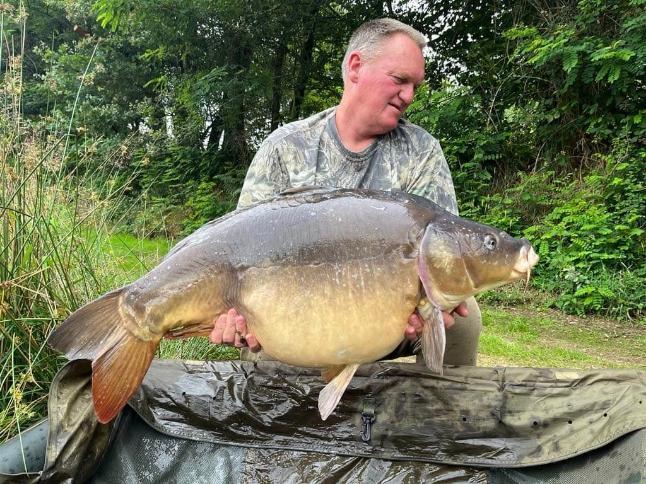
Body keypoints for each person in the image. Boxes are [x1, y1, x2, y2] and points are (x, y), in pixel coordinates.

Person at [209, 18, 482, 365]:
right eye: (400, 80)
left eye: (415, 85)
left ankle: (438, 412)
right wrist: (234, 316)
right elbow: (239, 250)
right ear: (356, 67)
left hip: (389, 317)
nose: (409, 95)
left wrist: (431, 306)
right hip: (296, 318)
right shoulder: (285, 147)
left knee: (463, 318)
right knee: (259, 339)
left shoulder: (421, 151)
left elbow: (446, 254)